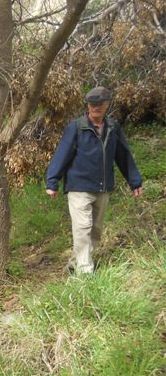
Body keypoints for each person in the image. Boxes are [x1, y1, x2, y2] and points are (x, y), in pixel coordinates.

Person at [45, 86, 143, 274]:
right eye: (92, 104)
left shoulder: (113, 128)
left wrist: (134, 181)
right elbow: (62, 154)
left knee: (95, 232)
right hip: (79, 187)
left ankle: (75, 263)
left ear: (107, 104)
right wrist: (53, 181)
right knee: (83, 228)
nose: (96, 107)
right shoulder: (77, 127)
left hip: (102, 186)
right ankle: (85, 272)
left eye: (100, 104)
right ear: (88, 105)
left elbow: (123, 156)